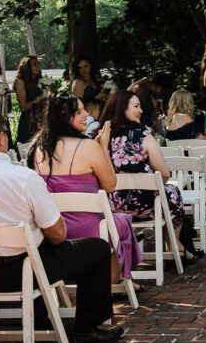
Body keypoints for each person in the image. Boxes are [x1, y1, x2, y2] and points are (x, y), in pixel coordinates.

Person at [0, 108, 123, 343]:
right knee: (95, 249)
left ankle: (40, 319)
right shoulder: (22, 177)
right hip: (19, 273)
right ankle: (86, 329)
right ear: (2, 137)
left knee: (36, 250)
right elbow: (57, 234)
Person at [28, 94, 144, 291]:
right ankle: (110, 283)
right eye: (79, 112)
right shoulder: (88, 146)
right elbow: (110, 185)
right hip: (90, 229)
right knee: (122, 222)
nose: (87, 116)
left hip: (51, 227)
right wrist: (103, 149)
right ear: (64, 117)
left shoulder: (39, 149)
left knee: (118, 221)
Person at [102, 90, 199, 263]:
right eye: (136, 106)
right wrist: (154, 188)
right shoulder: (143, 137)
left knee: (167, 194)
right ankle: (175, 245)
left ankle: (175, 246)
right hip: (146, 206)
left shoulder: (101, 138)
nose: (141, 111)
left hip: (112, 207)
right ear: (121, 109)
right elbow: (165, 173)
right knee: (173, 192)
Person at [13, 55, 44, 144]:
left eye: (38, 64)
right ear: (27, 67)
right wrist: (40, 97)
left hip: (40, 119)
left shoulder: (38, 82)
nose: (38, 66)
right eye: (35, 64)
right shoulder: (20, 81)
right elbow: (23, 107)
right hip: (28, 120)